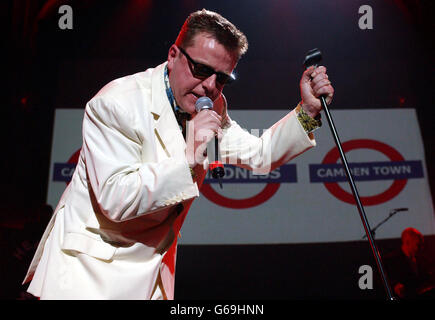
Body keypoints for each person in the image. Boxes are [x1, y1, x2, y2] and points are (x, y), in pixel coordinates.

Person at [23, 9, 334, 299]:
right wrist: (190, 153)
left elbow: (258, 154)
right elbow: (116, 199)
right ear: (173, 56)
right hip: (88, 275)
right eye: (201, 70)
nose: (210, 87)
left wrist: (306, 111)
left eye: (222, 78)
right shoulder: (116, 104)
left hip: (151, 275)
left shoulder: (210, 104)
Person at [384, 227, 434, 299]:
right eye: (418, 245)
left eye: (421, 245)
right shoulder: (391, 261)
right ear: (407, 242)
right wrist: (395, 286)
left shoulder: (422, 259)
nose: (421, 248)